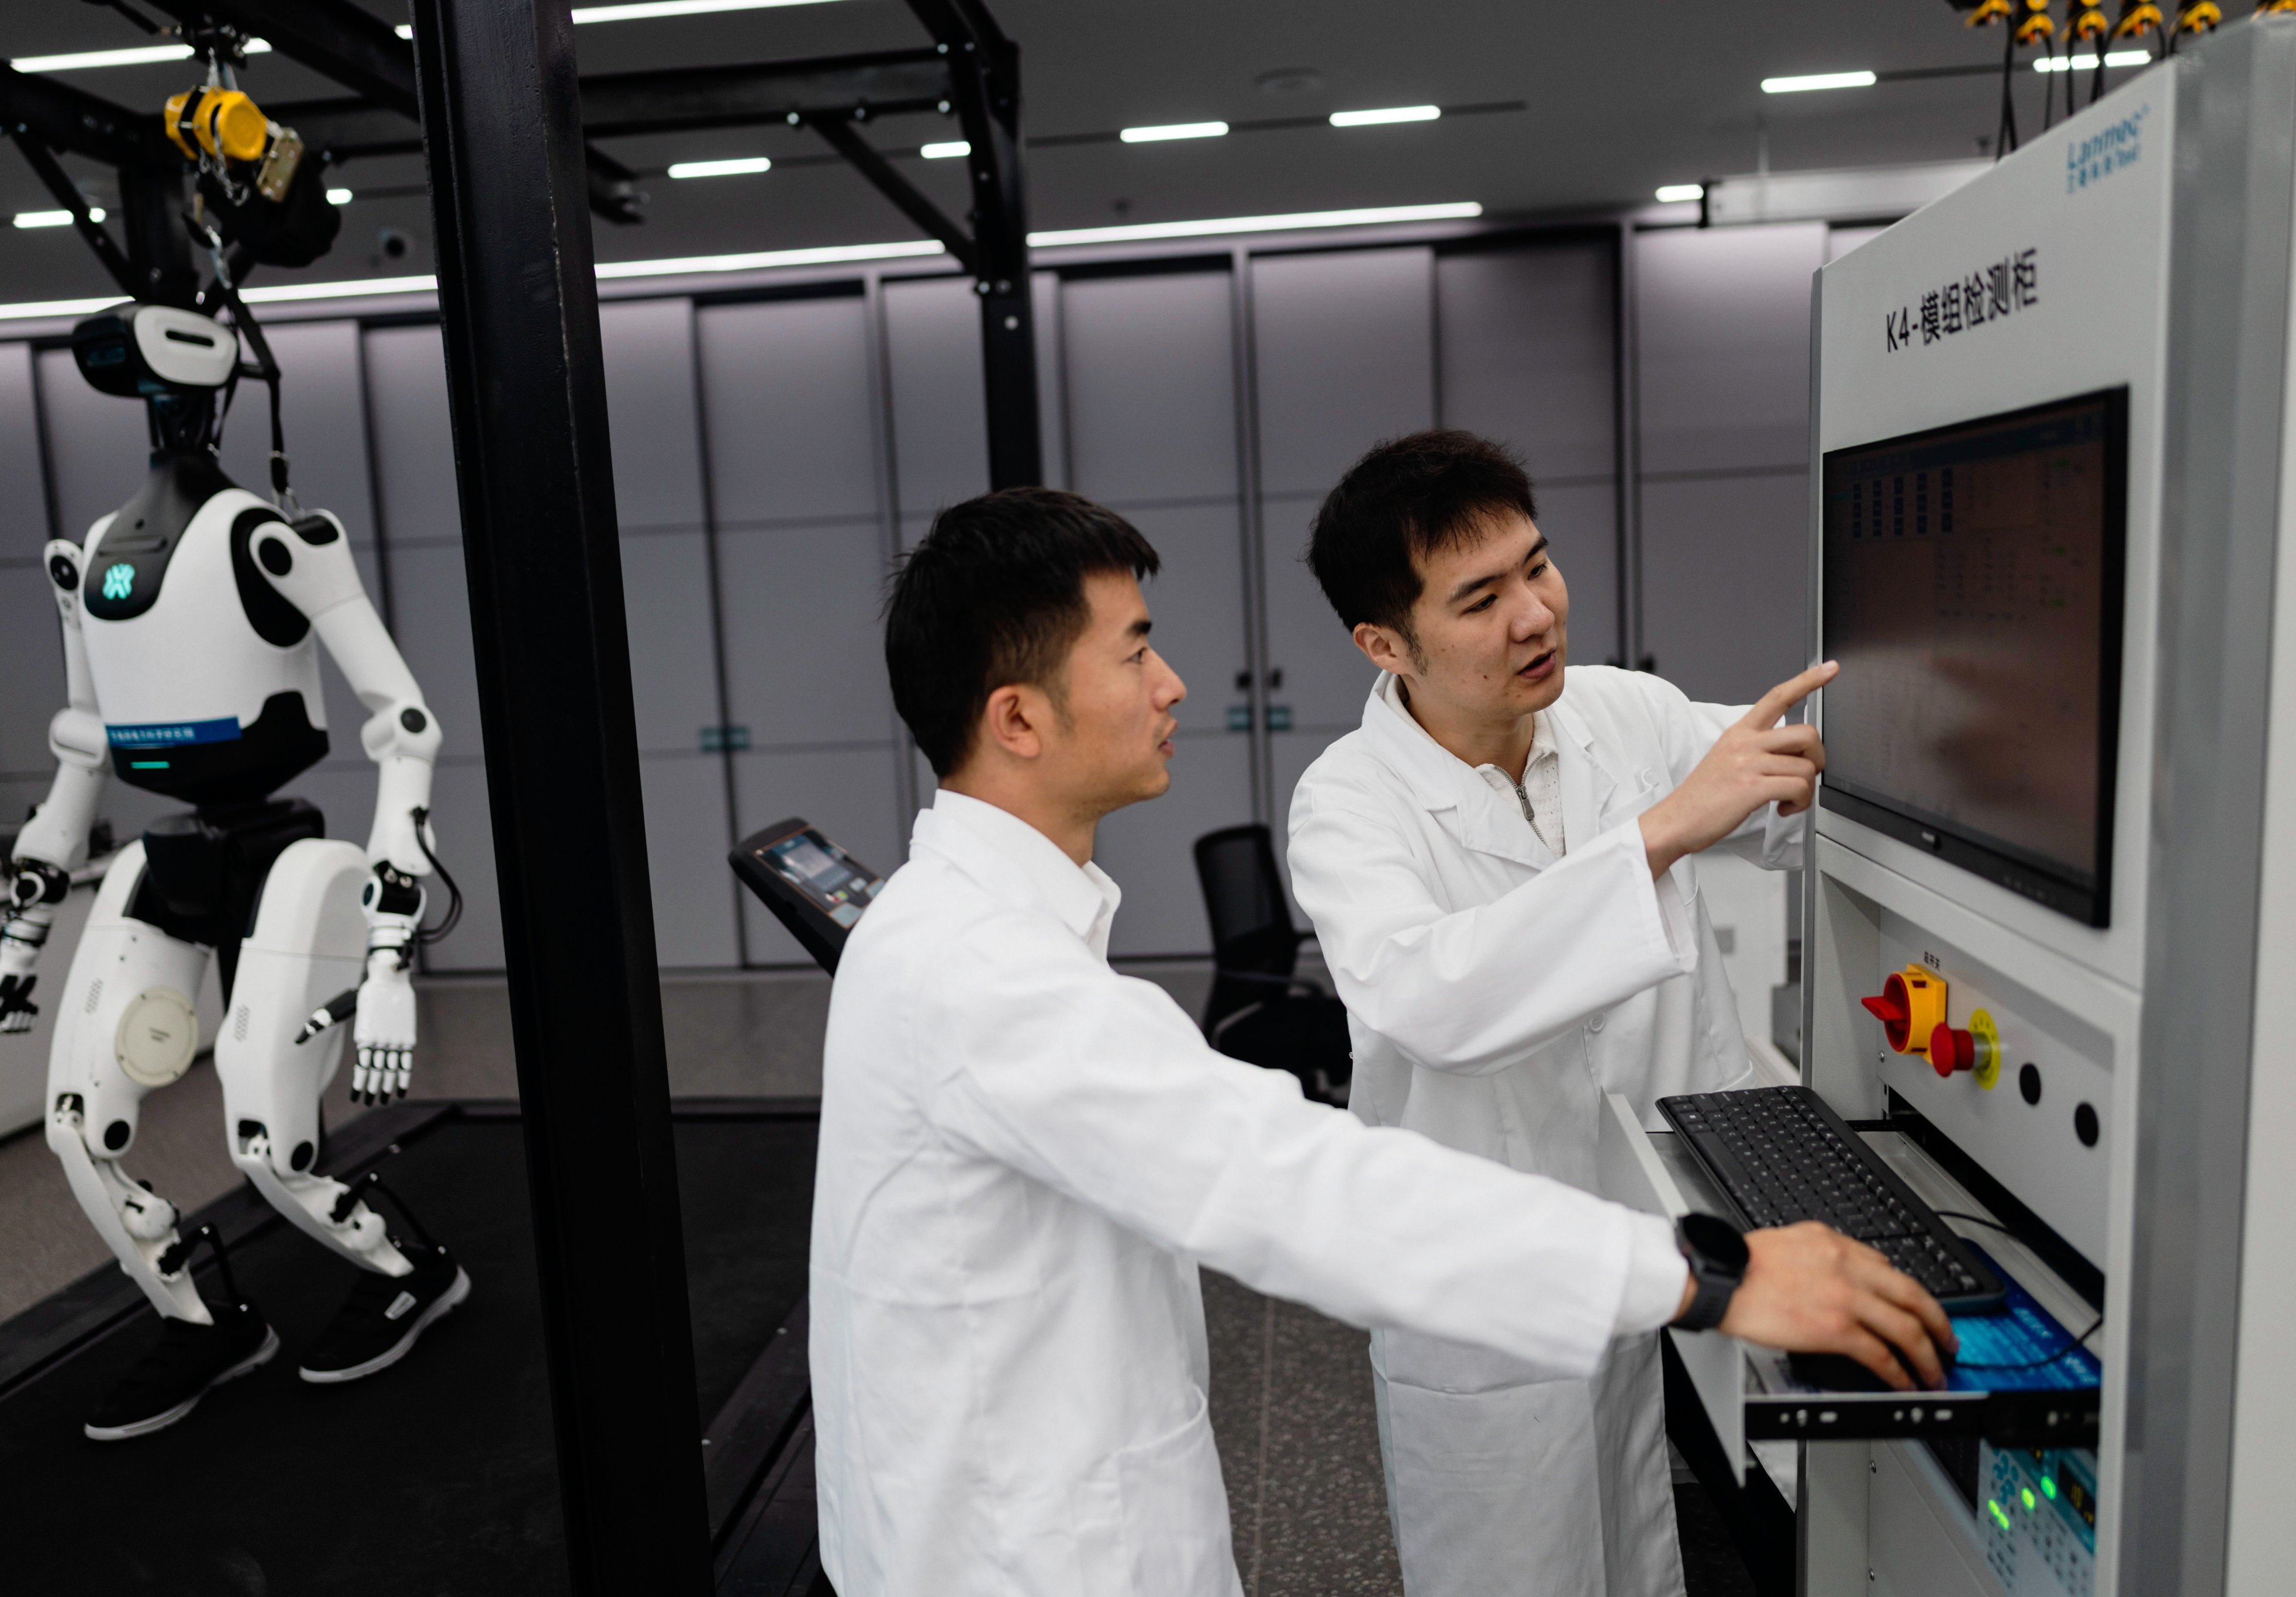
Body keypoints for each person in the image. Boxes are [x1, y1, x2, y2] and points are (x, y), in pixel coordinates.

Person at [811, 486, 1952, 1596]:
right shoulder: (987, 972)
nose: (1172, 684)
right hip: (1024, 1549)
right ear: (1018, 719)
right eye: (1134, 653)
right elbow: (1286, 1175)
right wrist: (1700, 1274)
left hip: (1055, 1501)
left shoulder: (969, 933)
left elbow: (1798, 779)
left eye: (1534, 569)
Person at [1287, 430, 1832, 1597]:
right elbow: (1430, 996)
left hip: (1673, 1211)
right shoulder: (1348, 803)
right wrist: (1660, 835)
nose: (1534, 616)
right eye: (1479, 599)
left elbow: (1792, 792)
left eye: (1536, 567)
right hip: (1490, 1270)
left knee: (1672, 1536)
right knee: (1519, 1565)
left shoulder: (1621, 713)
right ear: (1384, 643)